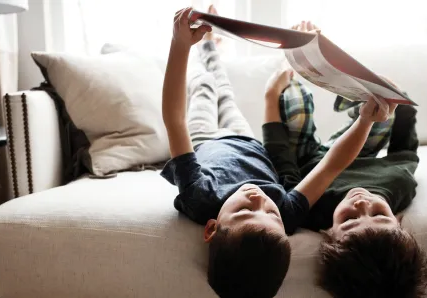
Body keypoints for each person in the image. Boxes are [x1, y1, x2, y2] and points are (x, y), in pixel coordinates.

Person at [160, 7, 395, 298]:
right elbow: (331, 165)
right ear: (283, 227)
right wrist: (364, 121)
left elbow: (174, 120)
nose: (260, 200)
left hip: (203, 139)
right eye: (270, 213)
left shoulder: (199, 197)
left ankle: (203, 51)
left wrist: (179, 44)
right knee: (225, 89)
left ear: (211, 228)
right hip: (244, 137)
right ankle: (211, 48)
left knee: (205, 88)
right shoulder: (287, 211)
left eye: (245, 211)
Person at [275, 20, 427, 298]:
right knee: (387, 101)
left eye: (348, 219)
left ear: (328, 233)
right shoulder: (399, 185)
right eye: (379, 214)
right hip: (358, 151)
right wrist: (400, 105)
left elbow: (285, 171)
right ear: (398, 218)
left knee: (296, 107)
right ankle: (352, 97)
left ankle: (298, 67)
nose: (361, 204)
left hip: (310, 161)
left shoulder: (312, 212)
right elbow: (405, 152)